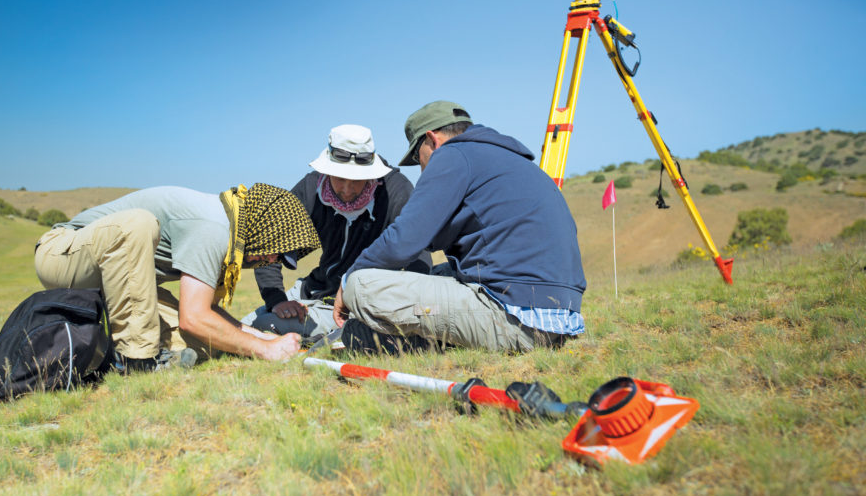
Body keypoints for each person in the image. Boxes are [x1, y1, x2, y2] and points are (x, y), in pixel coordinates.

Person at [332, 101, 586, 354]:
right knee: (438, 273)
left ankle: (413, 338)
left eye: (417, 157)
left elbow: (405, 240)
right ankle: (412, 342)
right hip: (560, 318)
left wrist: (347, 280)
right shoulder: (507, 159)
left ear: (432, 140)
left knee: (361, 284)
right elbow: (437, 237)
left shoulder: (453, 154)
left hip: (515, 318)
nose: (421, 168)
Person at [34, 183, 320, 371]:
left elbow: (207, 316)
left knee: (205, 344)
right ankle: (135, 361)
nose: (272, 261)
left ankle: (126, 351)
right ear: (265, 229)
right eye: (276, 253)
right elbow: (193, 317)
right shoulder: (213, 229)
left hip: (118, 278)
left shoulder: (230, 231)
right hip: (62, 254)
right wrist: (264, 351)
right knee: (138, 224)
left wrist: (265, 338)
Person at [242, 125, 430, 341]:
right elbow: (270, 244)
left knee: (262, 326)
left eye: (357, 180)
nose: (347, 189)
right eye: (340, 178)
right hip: (313, 288)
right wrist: (276, 299)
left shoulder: (395, 190)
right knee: (241, 325)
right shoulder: (310, 188)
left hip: (359, 302)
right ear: (327, 170)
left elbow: (418, 250)